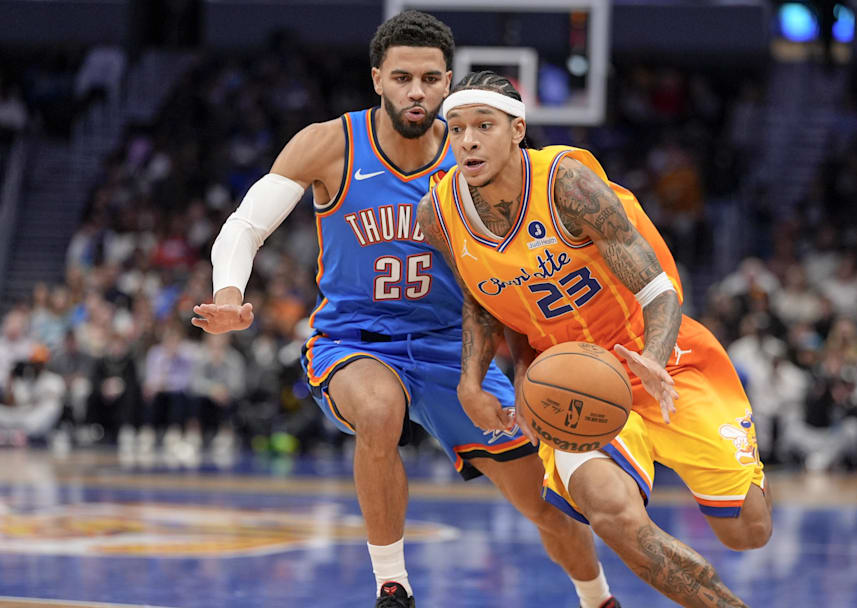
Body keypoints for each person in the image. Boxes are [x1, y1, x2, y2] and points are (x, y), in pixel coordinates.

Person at [191, 12, 616, 608]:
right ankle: (393, 584)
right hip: (355, 342)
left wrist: (522, 362)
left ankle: (598, 598)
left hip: (454, 344)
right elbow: (246, 225)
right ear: (377, 80)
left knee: (541, 500)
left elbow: (516, 269)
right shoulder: (329, 144)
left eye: (429, 78)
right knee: (379, 410)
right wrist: (231, 295)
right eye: (401, 77)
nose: (416, 91)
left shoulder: (478, 158)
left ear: (448, 85)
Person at [418, 71, 771, 608]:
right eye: (456, 127)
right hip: (573, 381)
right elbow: (479, 298)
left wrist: (652, 358)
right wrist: (472, 381)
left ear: (517, 130)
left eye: (483, 125)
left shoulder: (568, 183)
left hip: (661, 355)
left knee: (748, 530)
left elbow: (658, 288)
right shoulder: (438, 214)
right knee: (613, 516)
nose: (466, 140)